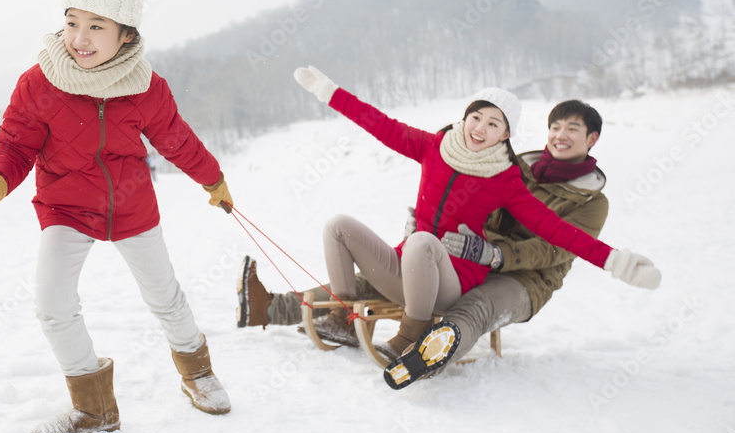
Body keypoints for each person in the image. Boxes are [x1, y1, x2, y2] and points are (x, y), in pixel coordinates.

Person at [0, 0, 234, 433]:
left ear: (125, 35)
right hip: (66, 206)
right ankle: (94, 406)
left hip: (131, 207)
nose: (79, 39)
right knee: (52, 303)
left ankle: (198, 372)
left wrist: (212, 179)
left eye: (95, 26)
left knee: (164, 296)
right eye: (71, 22)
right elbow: (16, 142)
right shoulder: (40, 81)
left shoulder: (145, 87)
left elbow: (177, 139)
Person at [239, 66, 660, 375]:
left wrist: (615, 262)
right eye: (476, 117)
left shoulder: (520, 179)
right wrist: (331, 93)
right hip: (441, 259)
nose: (481, 127)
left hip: (512, 280)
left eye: (494, 123)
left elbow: (556, 238)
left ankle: (421, 345)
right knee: (343, 229)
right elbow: (382, 126)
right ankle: (293, 311)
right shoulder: (492, 160)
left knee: (467, 298)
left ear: (506, 134)